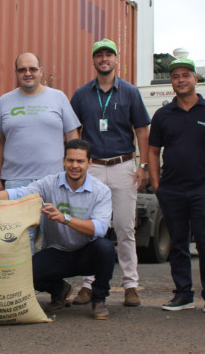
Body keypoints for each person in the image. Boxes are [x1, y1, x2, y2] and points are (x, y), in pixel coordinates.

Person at [0, 139, 115, 320]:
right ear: (63, 161)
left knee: (106, 248)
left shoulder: (101, 191)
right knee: (26, 273)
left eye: (80, 161)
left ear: (89, 163)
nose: (74, 165)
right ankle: (60, 290)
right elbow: (19, 193)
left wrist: (65, 218)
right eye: (70, 160)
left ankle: (99, 300)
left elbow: (100, 228)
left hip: (87, 252)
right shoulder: (49, 183)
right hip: (57, 251)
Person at [70, 38, 150, 307]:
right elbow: (73, 132)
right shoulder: (81, 94)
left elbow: (142, 130)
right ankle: (87, 284)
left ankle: (130, 284)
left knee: (126, 228)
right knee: (91, 229)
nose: (104, 58)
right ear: (93, 60)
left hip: (123, 166)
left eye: (109, 54)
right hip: (92, 169)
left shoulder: (129, 92)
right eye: (99, 55)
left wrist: (143, 165)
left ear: (116, 59)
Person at [146, 58, 205, 313]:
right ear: (172, 82)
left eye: (186, 75)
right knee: (178, 245)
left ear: (195, 79)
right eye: (176, 76)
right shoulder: (163, 114)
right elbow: (153, 151)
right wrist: (157, 185)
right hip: (172, 190)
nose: (180, 80)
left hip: (204, 188)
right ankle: (183, 295)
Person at [0, 52, 80, 251]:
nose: (28, 73)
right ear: (16, 73)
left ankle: (52, 282)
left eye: (32, 69)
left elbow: (72, 136)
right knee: (21, 240)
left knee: (55, 239)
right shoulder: (4, 101)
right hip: (16, 182)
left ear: (41, 71)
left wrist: (73, 173)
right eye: (22, 70)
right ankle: (25, 283)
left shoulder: (58, 98)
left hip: (53, 181)